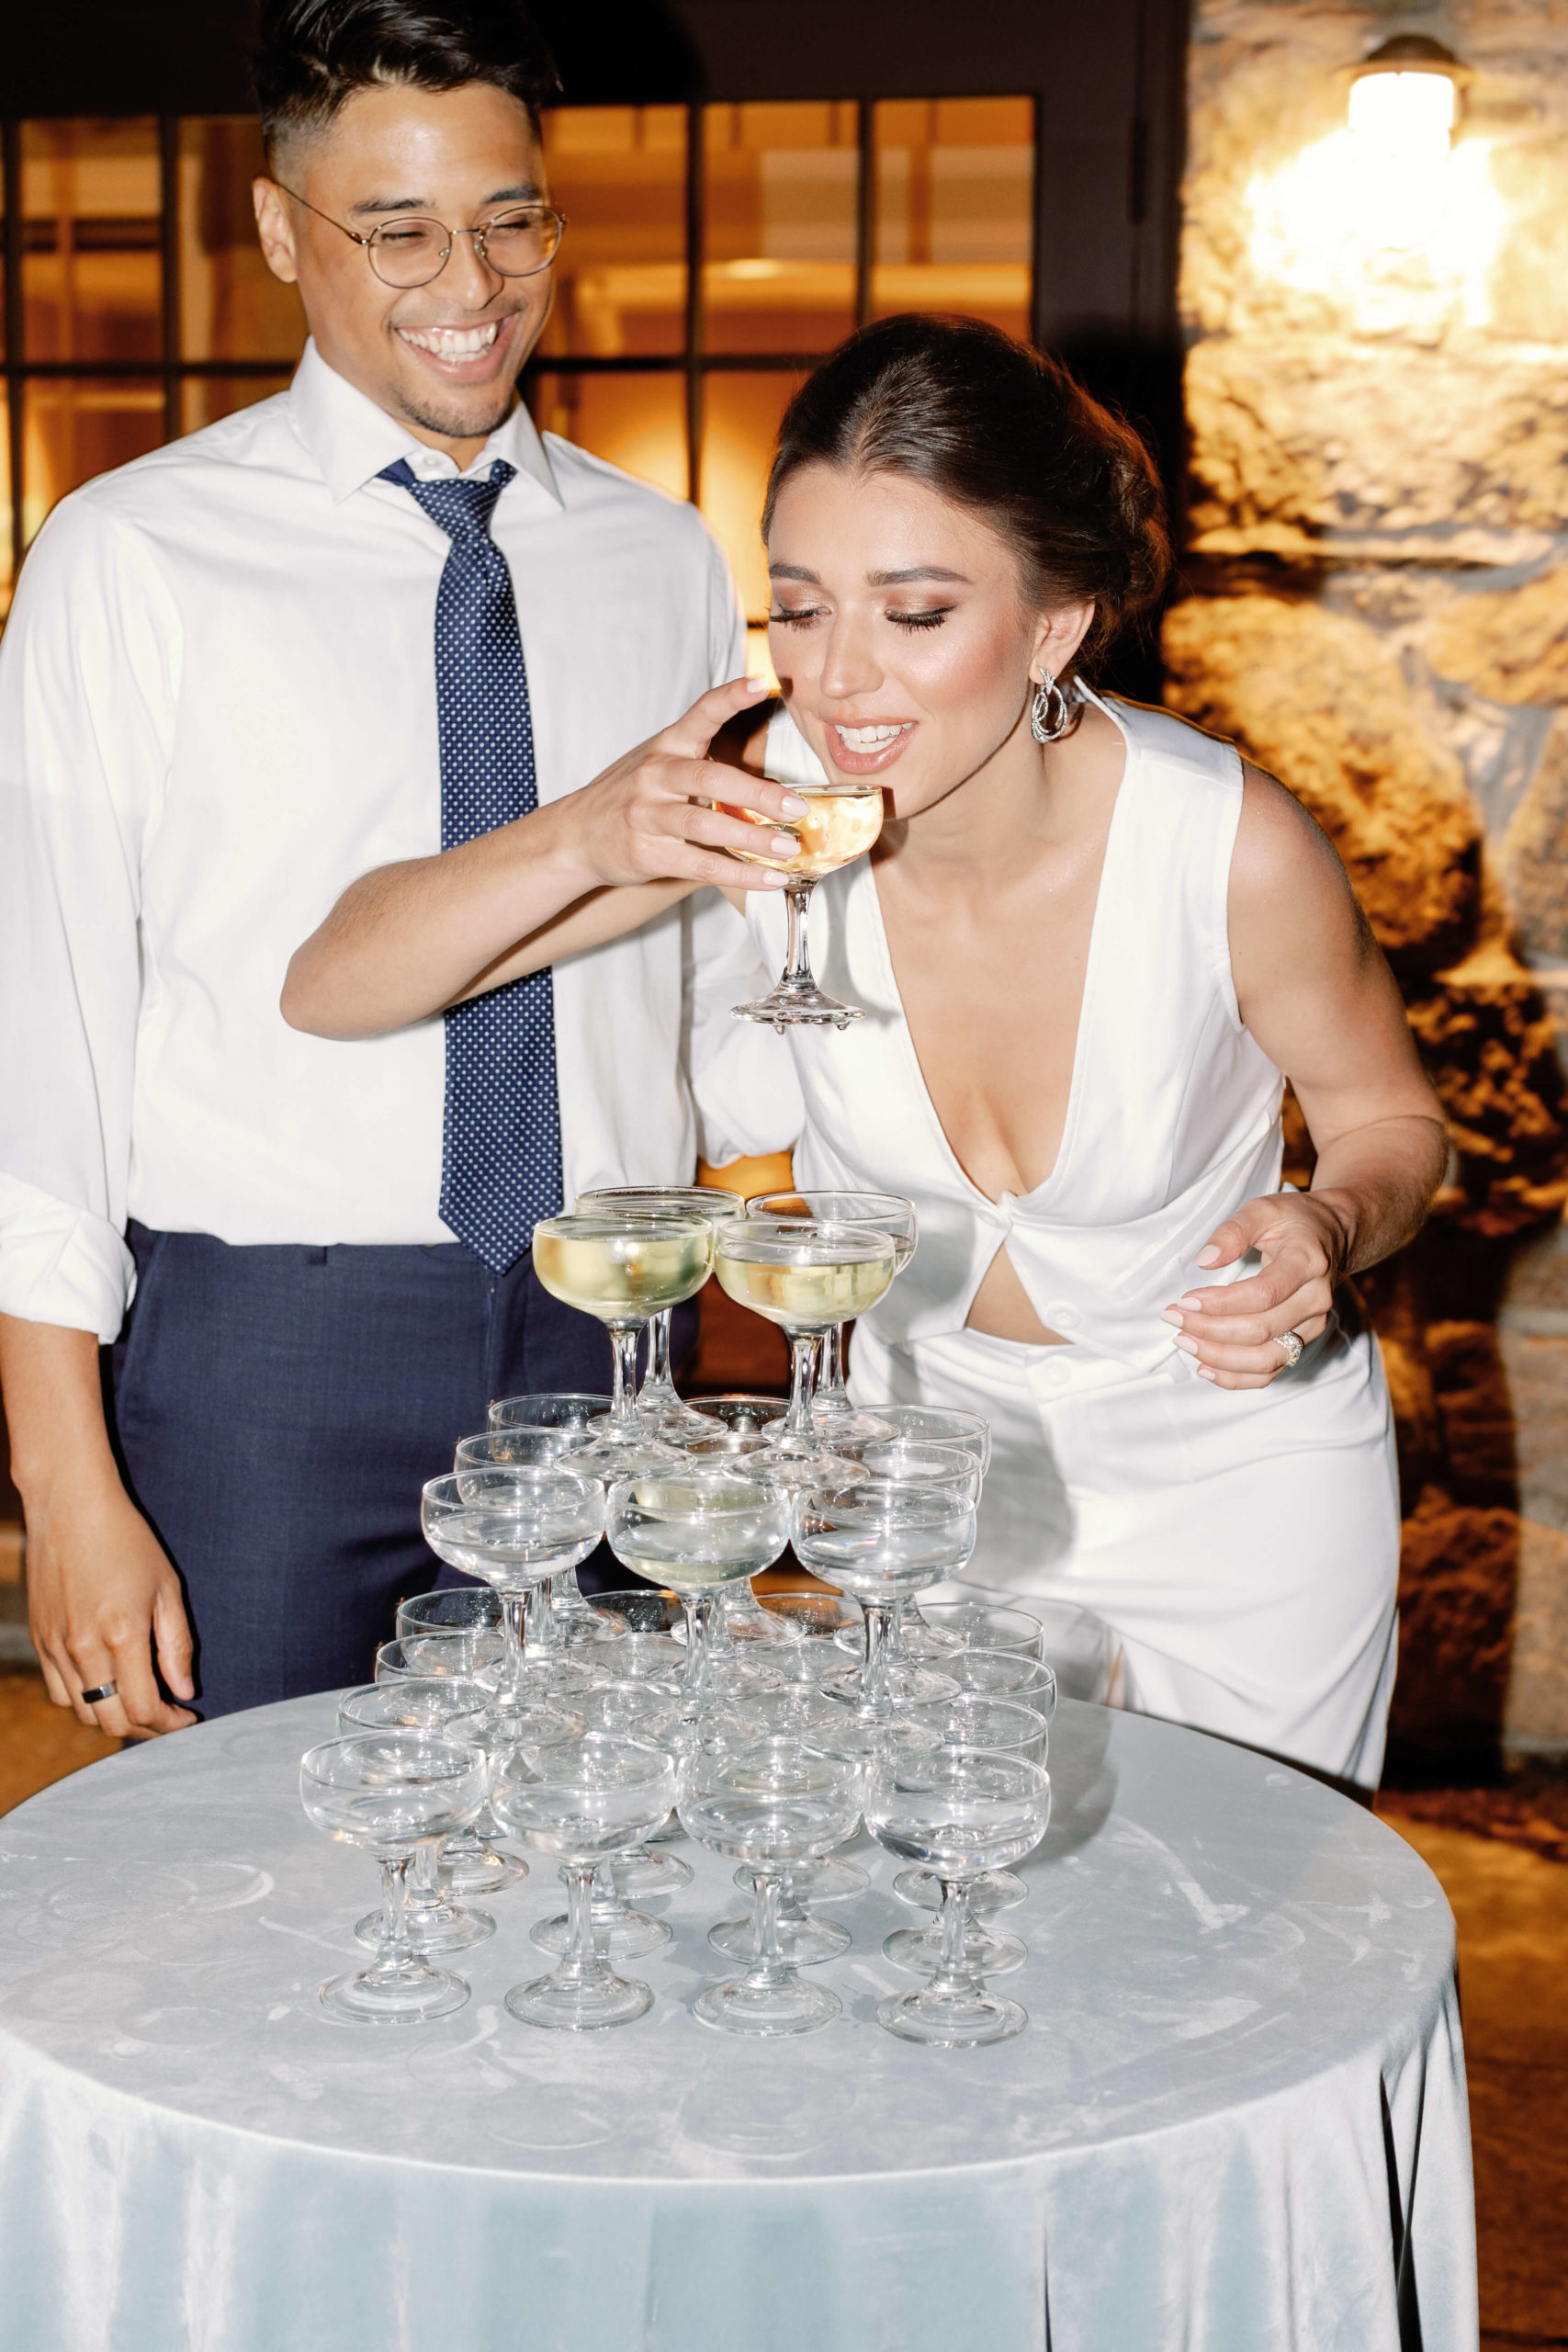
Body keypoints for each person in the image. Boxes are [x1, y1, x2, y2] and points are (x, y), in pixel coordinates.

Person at [282, 314, 1448, 1789]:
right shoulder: (772, 809)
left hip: (1241, 1478)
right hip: (927, 1488)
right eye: (802, 609)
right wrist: (588, 830)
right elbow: (334, 986)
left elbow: (1393, 1125)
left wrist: (1327, 1224)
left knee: (1243, 1939)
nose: (838, 682)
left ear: (1053, 624)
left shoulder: (1228, 848)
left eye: (914, 614)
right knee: (967, 1935)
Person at [0, 0, 798, 1735]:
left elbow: (716, 1001)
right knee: (249, 1916)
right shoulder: (129, 556)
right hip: (259, 1361)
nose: (475, 278)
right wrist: (64, 1490)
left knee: (591, 1882)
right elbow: (38, 1046)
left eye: (513, 217)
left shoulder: (660, 558)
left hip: (611, 1329)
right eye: (401, 229)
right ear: (281, 231)